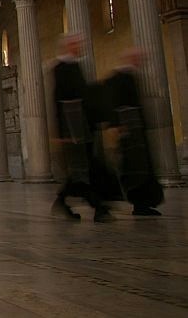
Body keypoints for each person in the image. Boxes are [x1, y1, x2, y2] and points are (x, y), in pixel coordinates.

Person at [52, 33, 112, 222]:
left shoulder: (75, 65)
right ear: (68, 46)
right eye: (76, 44)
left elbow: (85, 97)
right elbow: (58, 100)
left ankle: (63, 201)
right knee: (82, 170)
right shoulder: (61, 68)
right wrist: (62, 133)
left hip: (82, 126)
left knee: (83, 170)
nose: (79, 47)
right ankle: (98, 207)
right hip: (73, 127)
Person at [104, 48, 164, 217]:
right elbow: (112, 103)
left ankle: (144, 202)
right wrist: (116, 125)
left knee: (142, 167)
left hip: (136, 129)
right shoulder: (117, 77)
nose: (139, 61)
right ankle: (138, 203)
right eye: (136, 58)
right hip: (129, 130)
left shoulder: (132, 75)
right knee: (135, 168)